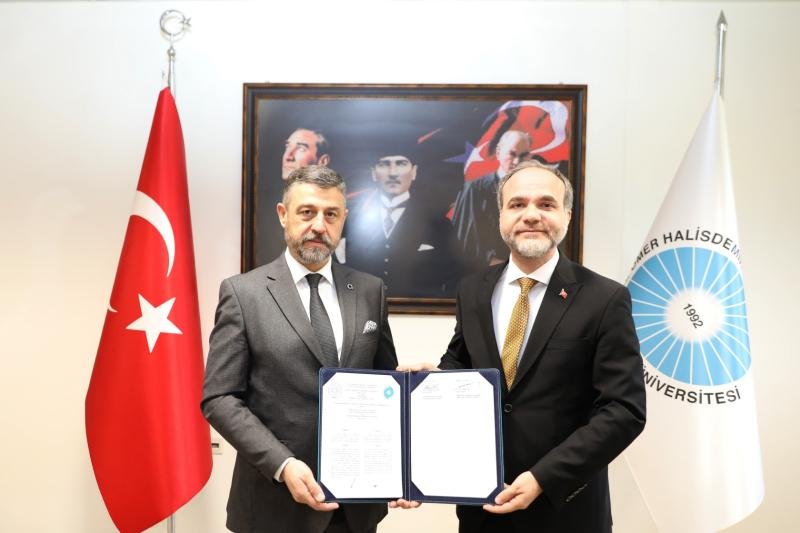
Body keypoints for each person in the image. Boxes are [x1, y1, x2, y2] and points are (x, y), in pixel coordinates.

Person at [401, 161, 646, 532]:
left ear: (566, 215)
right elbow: (462, 366)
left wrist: (543, 478)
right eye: (517, 204)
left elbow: (624, 410)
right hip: (481, 509)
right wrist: (433, 382)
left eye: (546, 204)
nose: (531, 215)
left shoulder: (605, 299)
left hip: (566, 512)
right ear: (501, 215)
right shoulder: (473, 290)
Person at [203, 165, 398, 533]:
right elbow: (220, 397)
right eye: (307, 212)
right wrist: (283, 464)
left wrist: (400, 465)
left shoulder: (371, 290)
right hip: (273, 506)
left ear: (344, 219)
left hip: (356, 511)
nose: (319, 226)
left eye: (331, 214)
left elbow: (384, 383)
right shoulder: (243, 294)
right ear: (283, 214)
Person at [345, 142, 457, 298]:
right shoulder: (350, 222)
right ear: (374, 173)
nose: (393, 173)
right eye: (384, 164)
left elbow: (452, 277)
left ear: (414, 172)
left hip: (417, 310)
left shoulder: (438, 224)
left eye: (401, 164)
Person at [451, 130, 532, 268]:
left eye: (523, 156)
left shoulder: (533, 193)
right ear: (498, 152)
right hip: (483, 274)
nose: (517, 161)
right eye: (512, 154)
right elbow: (463, 241)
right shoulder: (475, 189)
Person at [259, 127, 332, 266]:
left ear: (322, 161)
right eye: (288, 147)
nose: (288, 156)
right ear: (282, 214)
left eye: (301, 148)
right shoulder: (264, 213)